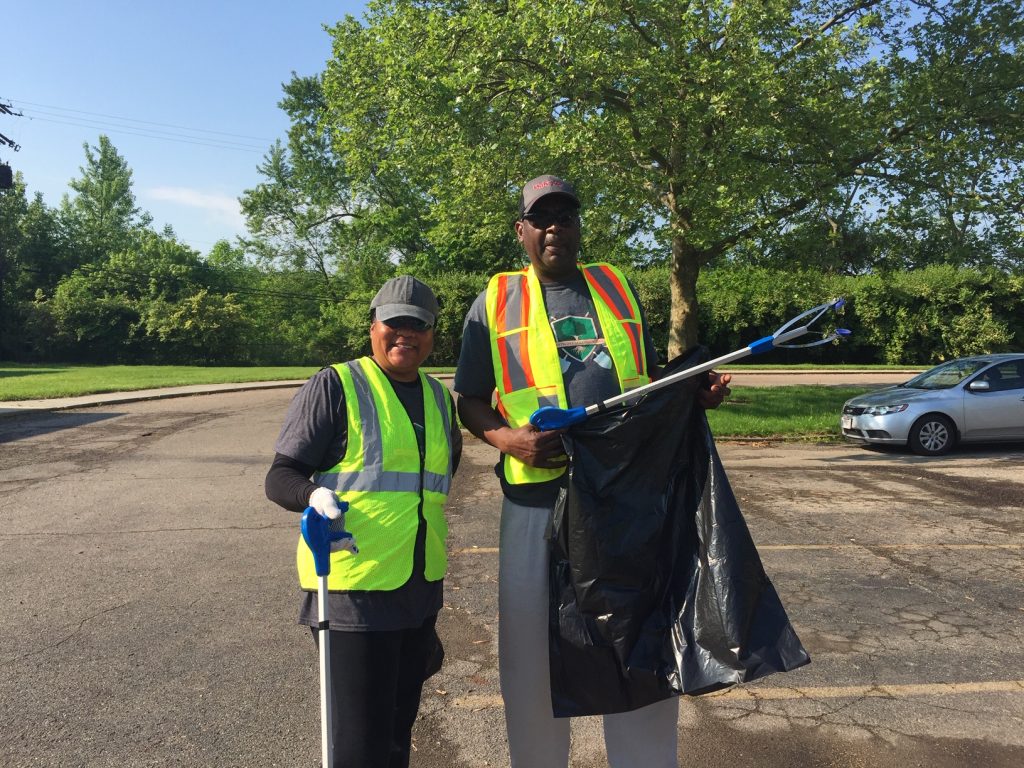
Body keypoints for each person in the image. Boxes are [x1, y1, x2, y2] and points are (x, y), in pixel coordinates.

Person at [454, 175, 731, 768]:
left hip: (626, 502)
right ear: (521, 230)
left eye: (566, 215)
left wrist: (692, 394)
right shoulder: (495, 299)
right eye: (541, 217)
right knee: (531, 657)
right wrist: (509, 441)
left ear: (579, 225)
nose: (555, 226)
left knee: (637, 644)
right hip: (538, 506)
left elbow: (651, 380)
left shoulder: (617, 288)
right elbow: (469, 398)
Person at [266, 275, 462, 768]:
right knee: (358, 746)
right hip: (353, 592)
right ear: (373, 326)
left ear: (432, 334)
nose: (405, 334)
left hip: (418, 592)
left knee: (397, 733)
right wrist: (313, 495)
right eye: (394, 322)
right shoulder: (337, 384)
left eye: (417, 325)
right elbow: (281, 475)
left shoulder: (441, 400)